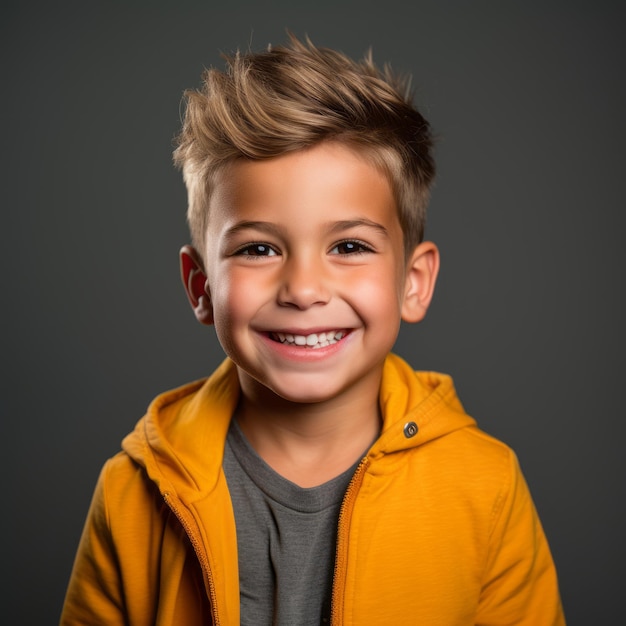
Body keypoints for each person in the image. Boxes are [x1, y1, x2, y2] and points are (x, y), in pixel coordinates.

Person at [60, 33, 565, 625]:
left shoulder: (485, 486)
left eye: (348, 246)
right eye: (257, 249)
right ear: (201, 288)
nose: (303, 289)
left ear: (414, 281)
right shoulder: (134, 492)